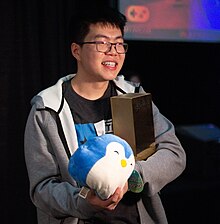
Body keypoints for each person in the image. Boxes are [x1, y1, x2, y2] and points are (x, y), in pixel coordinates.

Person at [24, 5, 186, 224]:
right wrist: (84, 202)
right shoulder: (47, 109)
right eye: (102, 43)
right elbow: (42, 188)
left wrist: (133, 177)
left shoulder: (134, 95)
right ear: (76, 50)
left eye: (119, 44)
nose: (113, 51)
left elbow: (174, 152)